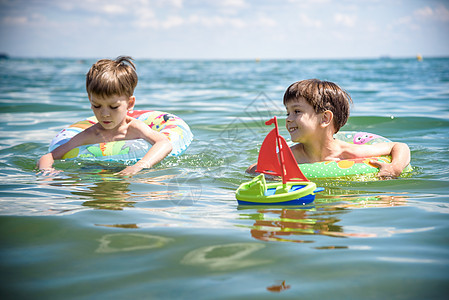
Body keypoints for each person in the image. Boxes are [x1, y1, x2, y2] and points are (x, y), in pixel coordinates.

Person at [247, 79, 410, 179]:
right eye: (287, 112)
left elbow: (399, 146)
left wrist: (395, 167)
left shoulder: (349, 153)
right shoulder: (292, 156)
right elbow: (254, 168)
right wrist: (267, 174)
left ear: (325, 118)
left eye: (297, 111)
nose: (288, 118)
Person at [38, 56, 172, 176]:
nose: (104, 114)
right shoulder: (90, 135)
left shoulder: (134, 128)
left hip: (130, 176)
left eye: (113, 107)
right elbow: (49, 156)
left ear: (130, 103)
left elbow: (164, 143)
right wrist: (47, 171)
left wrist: (139, 166)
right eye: (96, 106)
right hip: (95, 175)